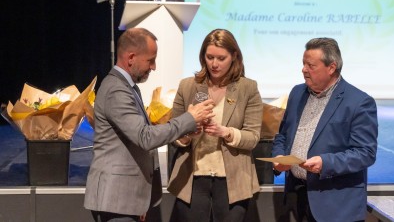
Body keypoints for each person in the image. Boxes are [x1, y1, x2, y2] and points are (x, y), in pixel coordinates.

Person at [84, 28, 215, 221]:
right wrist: (189, 118)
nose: (153, 67)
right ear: (131, 58)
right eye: (150, 60)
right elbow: (145, 137)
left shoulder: (127, 87)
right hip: (115, 200)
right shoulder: (116, 91)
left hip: (126, 200)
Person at [271, 37, 378, 222]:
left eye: (311, 65)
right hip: (298, 197)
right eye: (303, 64)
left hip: (336, 206)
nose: (304, 69)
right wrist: (279, 156)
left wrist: (325, 163)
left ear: (331, 67)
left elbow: (365, 153)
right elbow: (282, 135)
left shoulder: (359, 102)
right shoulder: (297, 93)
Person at [167, 29, 263, 222]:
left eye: (221, 58)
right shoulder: (187, 86)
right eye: (209, 57)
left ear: (234, 56)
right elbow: (173, 132)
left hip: (232, 180)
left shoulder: (247, 88)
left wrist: (226, 132)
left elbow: (252, 137)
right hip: (193, 179)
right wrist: (188, 135)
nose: (214, 64)